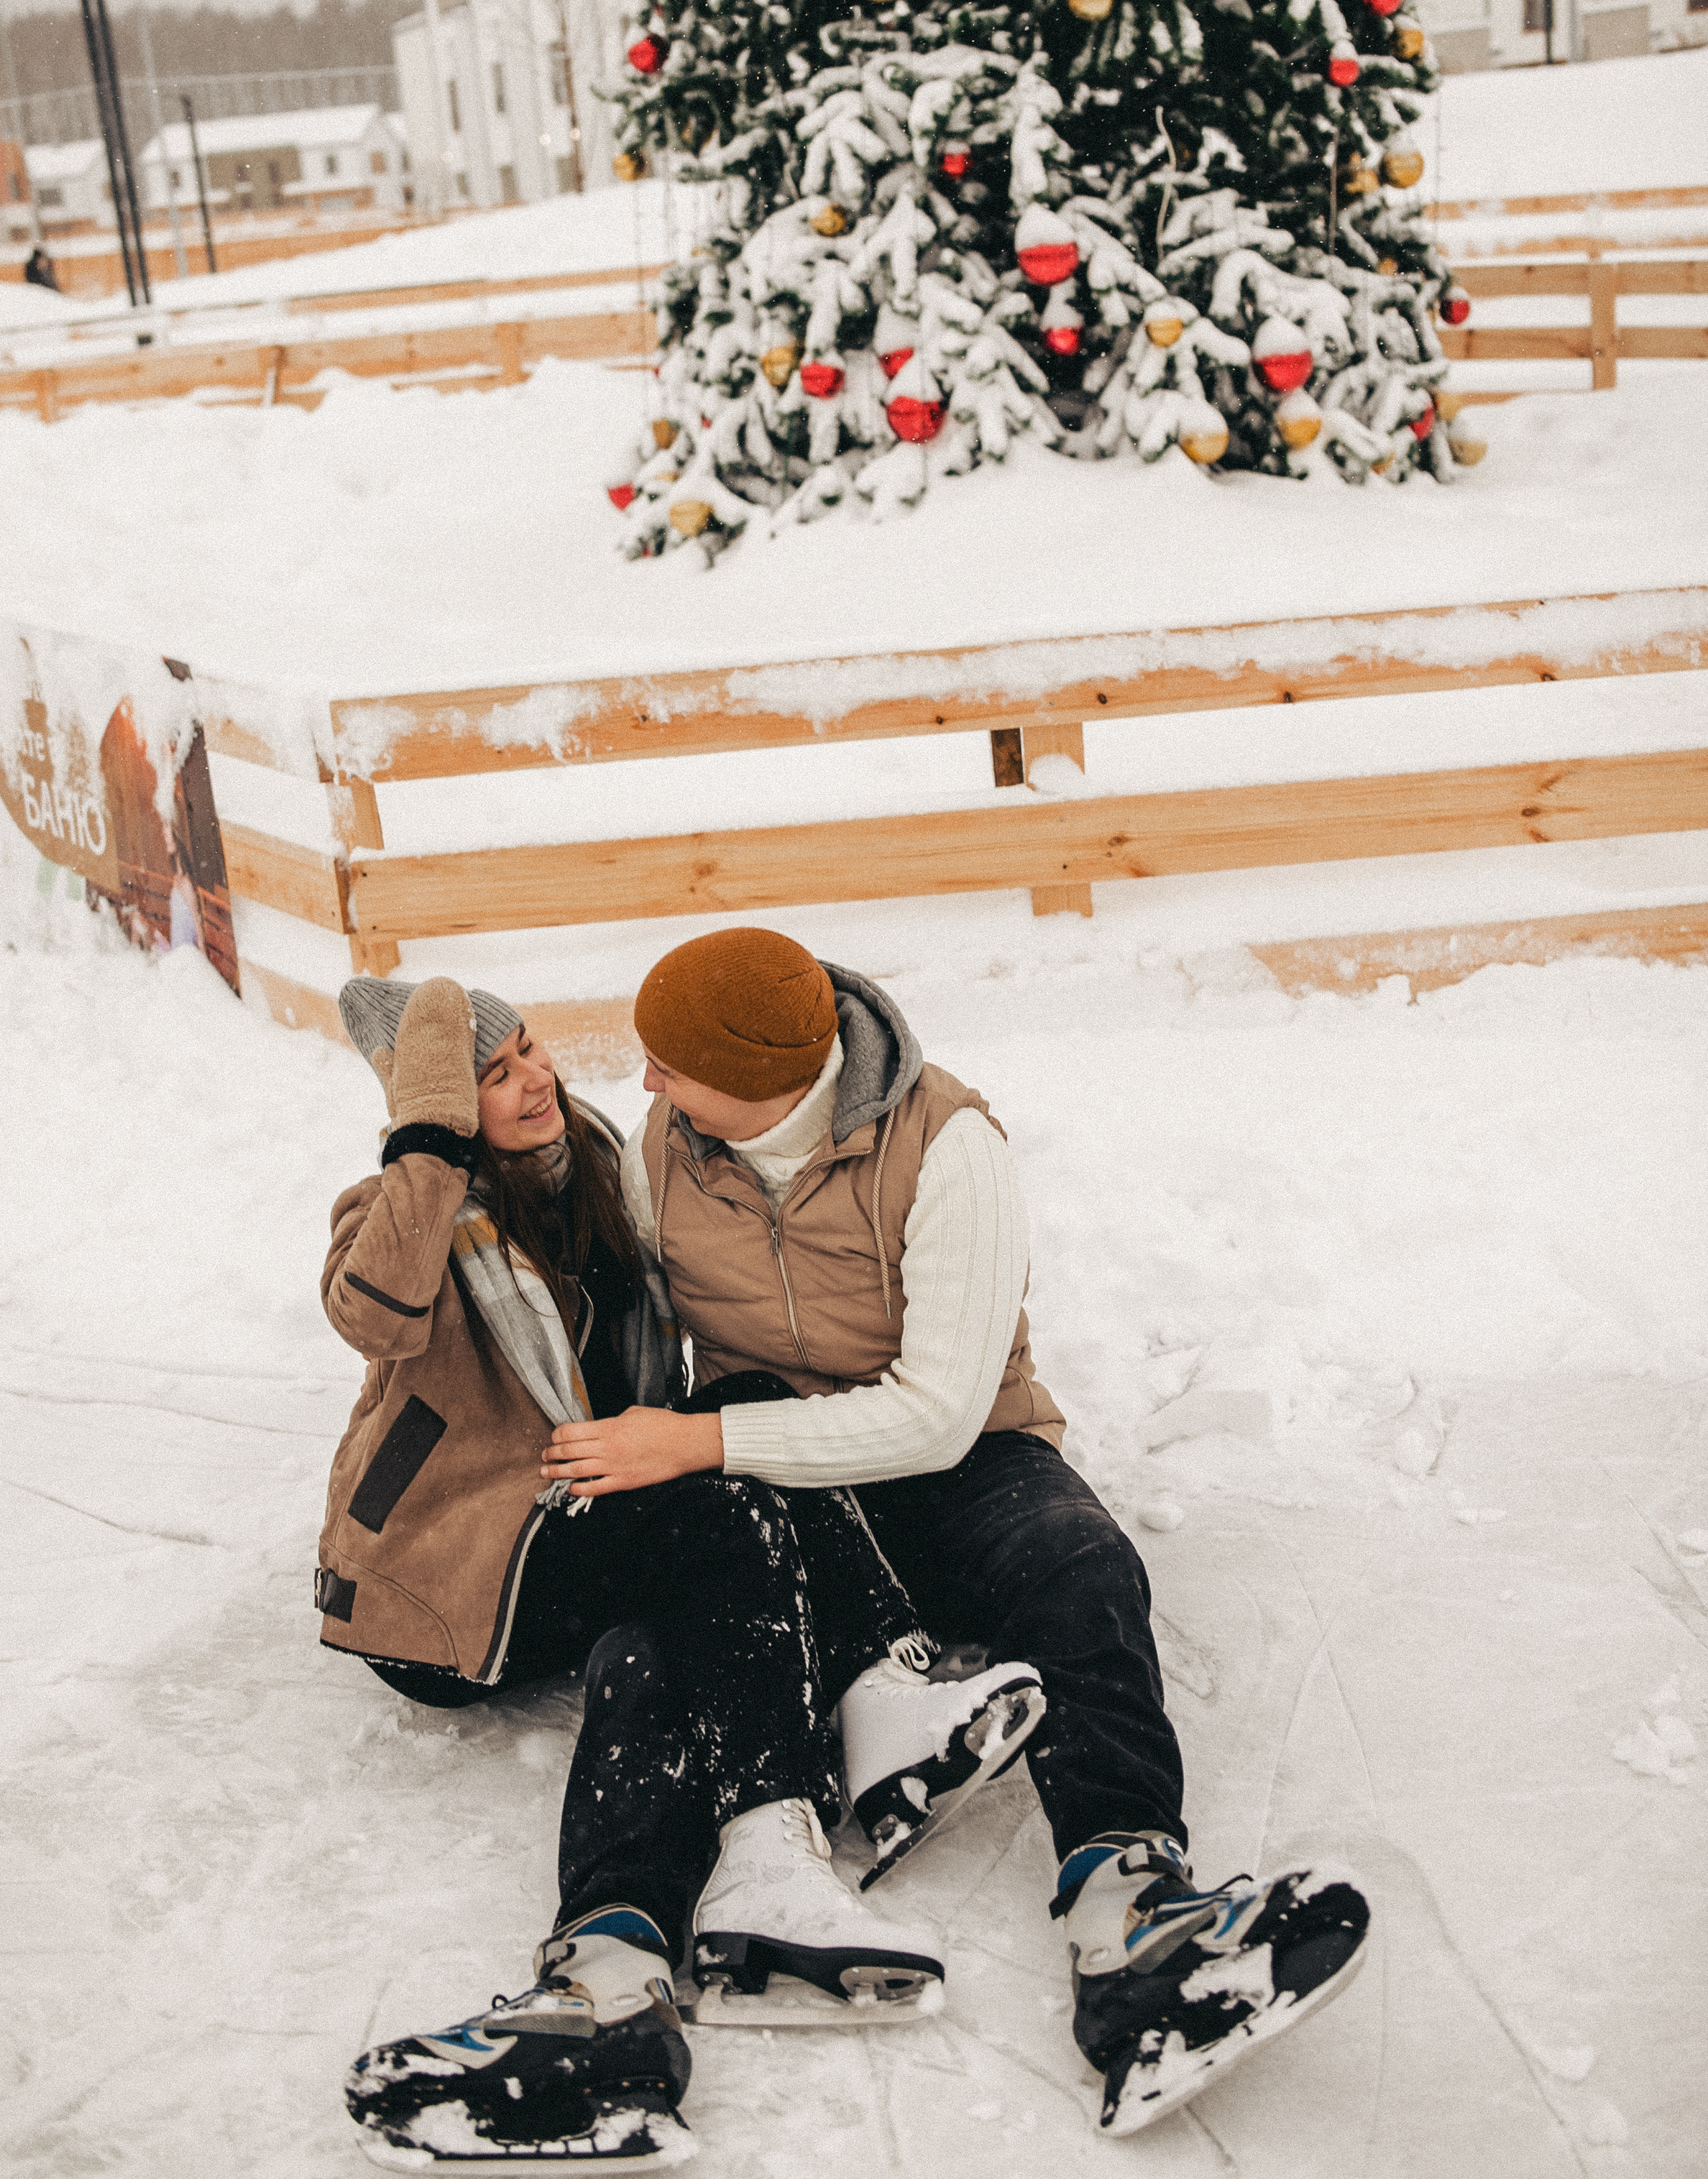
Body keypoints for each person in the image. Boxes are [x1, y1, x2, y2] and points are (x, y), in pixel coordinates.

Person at [540, 930, 1372, 2141]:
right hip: (771, 1462)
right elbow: (620, 1324)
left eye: (674, 1064)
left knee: (1076, 1568)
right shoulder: (665, 1151)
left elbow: (935, 1415)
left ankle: (1131, 1916)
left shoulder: (948, 1146)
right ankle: (606, 1982)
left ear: (767, 1072)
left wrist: (699, 1445)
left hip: (959, 1453)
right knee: (649, 1652)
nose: (649, 1085)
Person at [321, 974, 1042, 2169]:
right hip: (450, 1585)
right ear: (440, 1106)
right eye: (490, 1076)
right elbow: (374, 1315)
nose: (534, 1081)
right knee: (714, 1506)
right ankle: (792, 1821)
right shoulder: (397, 1209)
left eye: (532, 1051)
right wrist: (429, 1144)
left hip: (584, 1519)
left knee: (718, 1487)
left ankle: (611, 1986)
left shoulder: (600, 1167)